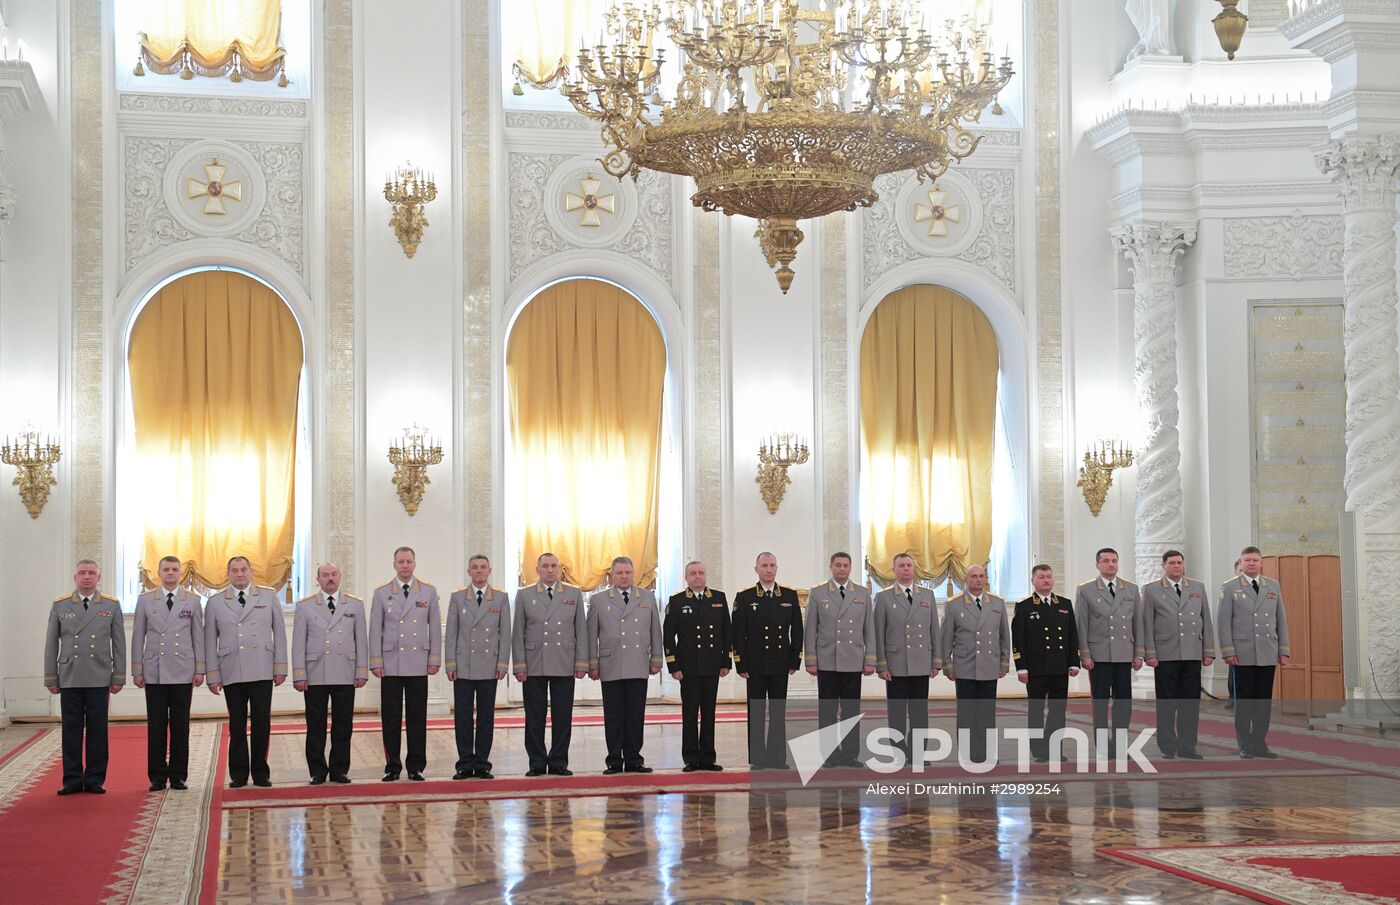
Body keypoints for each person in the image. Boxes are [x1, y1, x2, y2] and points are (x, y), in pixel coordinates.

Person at [44, 559, 125, 795]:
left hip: (99, 675)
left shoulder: (110, 605)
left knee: (98, 730)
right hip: (70, 675)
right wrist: (51, 676)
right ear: (75, 578)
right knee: (71, 729)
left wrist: (118, 676)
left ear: (99, 577)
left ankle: (94, 778)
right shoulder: (61, 605)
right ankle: (71, 779)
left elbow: (118, 643)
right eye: (82, 573)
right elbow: (51, 643)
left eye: (91, 573)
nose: (87, 577)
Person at [206, 555, 287, 788]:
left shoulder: (268, 595)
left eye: (243, 570)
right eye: (234, 570)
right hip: (232, 669)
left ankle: (261, 772)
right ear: (228, 574)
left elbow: (279, 634)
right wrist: (213, 675)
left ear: (251, 571)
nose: (239, 574)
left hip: (262, 667)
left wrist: (280, 667)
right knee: (237, 723)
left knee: (262, 722)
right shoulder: (216, 602)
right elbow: (210, 641)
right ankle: (239, 774)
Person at [131, 554, 204, 791]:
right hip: (155, 670)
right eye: (166, 569)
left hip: (183, 669)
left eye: (174, 569)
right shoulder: (145, 600)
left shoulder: (192, 600)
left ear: (180, 572)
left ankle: (178, 775)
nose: (170, 573)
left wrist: (200, 668)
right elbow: (138, 636)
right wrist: (137, 669)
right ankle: (157, 776)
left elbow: (198, 637)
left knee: (181, 724)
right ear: (159, 573)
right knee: (157, 724)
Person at [512, 552, 588, 776]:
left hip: (564, 662)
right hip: (534, 663)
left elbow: (581, 631)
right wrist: (519, 665)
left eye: (554, 566)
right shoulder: (525, 595)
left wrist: (581, 662)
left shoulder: (573, 594)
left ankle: (558, 762)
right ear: (537, 569)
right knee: (534, 716)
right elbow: (518, 633)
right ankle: (536, 762)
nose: (550, 570)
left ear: (559, 569)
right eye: (545, 566)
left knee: (562, 716)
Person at [292, 562, 368, 785]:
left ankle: (339, 769)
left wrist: (361, 670)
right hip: (316, 672)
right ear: (318, 580)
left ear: (340, 576)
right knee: (315, 725)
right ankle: (317, 770)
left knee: (343, 725)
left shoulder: (354, 604)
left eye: (334, 574)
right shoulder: (305, 606)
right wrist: (299, 674)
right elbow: (298, 643)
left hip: (345, 671)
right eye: (325, 575)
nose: (330, 578)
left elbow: (361, 640)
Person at [369, 546, 441, 781]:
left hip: (418, 662)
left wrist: (434, 659)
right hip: (390, 663)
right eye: (401, 562)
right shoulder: (381, 593)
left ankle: (416, 766)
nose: (405, 565)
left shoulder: (428, 592)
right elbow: (375, 630)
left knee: (417, 717)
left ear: (414, 563)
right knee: (390, 717)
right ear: (394, 565)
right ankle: (392, 765)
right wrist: (376, 661)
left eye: (409, 561)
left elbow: (435, 629)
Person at [587, 557, 664, 774]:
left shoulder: (647, 596)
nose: (623, 576)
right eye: (619, 573)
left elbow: (655, 631)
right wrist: (592, 663)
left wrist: (656, 660)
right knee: (613, 715)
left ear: (633, 573)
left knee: (635, 714)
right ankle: (613, 760)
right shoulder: (599, 600)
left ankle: (633, 759)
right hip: (610, 663)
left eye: (627, 572)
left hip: (638, 662)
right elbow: (591, 634)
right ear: (612, 574)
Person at [731, 552, 803, 770]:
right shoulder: (745, 597)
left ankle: (777, 757)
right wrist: (740, 664)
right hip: (754, 665)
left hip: (781, 663)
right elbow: (738, 634)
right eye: (764, 565)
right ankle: (758, 759)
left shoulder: (789, 596)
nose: (769, 569)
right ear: (756, 570)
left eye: (772, 565)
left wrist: (794, 660)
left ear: (777, 568)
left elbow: (797, 631)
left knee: (778, 711)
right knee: (757, 711)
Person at [1141, 550, 1215, 759]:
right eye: (1172, 563)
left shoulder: (1197, 587)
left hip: (1192, 653)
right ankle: (1167, 746)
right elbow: (1147, 624)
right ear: (1163, 565)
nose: (1176, 566)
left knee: (1190, 703)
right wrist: (1150, 653)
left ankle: (1187, 746)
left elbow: (1205, 620)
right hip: (1165, 654)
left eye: (1179, 563)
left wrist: (1208, 650)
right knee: (1167, 703)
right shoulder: (1152, 589)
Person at [805, 552, 876, 768]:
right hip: (827, 660)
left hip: (853, 660)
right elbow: (810, 629)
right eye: (838, 565)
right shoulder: (818, 593)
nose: (842, 569)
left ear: (851, 568)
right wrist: (810, 659)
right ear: (831, 567)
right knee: (827, 710)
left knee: (851, 710)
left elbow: (869, 630)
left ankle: (850, 754)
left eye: (846, 565)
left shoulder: (863, 594)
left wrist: (870, 659)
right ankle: (829, 754)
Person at [1218, 546, 1290, 759]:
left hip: (1267, 651)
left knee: (1263, 703)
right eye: (1247, 560)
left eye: (1255, 560)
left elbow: (1281, 620)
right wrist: (1227, 651)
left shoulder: (1273, 586)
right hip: (1242, 653)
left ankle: (1260, 742)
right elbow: (1223, 623)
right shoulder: (1230, 587)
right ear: (1240, 563)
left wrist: (1283, 649)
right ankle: (1245, 744)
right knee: (1244, 703)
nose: (1251, 563)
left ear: (1261, 563)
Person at [445, 554, 511, 780]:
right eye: (475, 567)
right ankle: (464, 763)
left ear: (490, 570)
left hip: (489, 665)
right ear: (469, 572)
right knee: (462, 716)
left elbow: (506, 634)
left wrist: (503, 663)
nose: (479, 571)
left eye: (483, 567)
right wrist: (450, 663)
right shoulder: (458, 597)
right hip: (463, 665)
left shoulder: (500, 598)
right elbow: (451, 634)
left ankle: (482, 763)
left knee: (486, 716)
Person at [663, 560, 731, 772]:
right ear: (686, 577)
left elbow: (726, 632)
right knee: (690, 713)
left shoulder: (718, 598)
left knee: (709, 713)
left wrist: (725, 661)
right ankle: (691, 758)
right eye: (693, 573)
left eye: (701, 572)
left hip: (711, 666)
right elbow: (668, 636)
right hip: (689, 668)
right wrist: (674, 666)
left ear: (706, 575)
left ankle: (708, 758)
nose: (698, 576)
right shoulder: (677, 601)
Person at [1075, 548, 1143, 758]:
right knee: (1101, 704)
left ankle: (1121, 747)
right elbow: (1081, 624)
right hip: (1099, 656)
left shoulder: (1130, 589)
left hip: (1124, 654)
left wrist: (1138, 652)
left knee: (1124, 704)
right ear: (1098, 564)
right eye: (1106, 561)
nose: (1111, 564)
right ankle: (1104, 748)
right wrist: (1084, 654)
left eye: (1114, 560)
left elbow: (1137, 623)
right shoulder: (1086, 590)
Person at [939, 564, 1010, 763]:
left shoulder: (997, 603)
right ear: (966, 579)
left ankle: (988, 754)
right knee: (966, 714)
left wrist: (1004, 663)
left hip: (989, 665)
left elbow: (1004, 636)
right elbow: (946, 638)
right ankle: (968, 754)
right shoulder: (954, 605)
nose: (978, 580)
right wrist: (948, 665)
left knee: (987, 714)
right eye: (974, 576)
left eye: (981, 576)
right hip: (965, 667)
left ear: (986, 578)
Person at [873, 553, 939, 758]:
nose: (906, 568)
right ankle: (898, 753)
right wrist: (881, 665)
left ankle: (919, 753)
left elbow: (934, 630)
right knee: (897, 713)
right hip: (895, 663)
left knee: (920, 712)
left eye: (909, 565)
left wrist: (936, 661)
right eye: (901, 565)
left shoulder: (927, 596)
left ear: (914, 569)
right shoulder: (883, 597)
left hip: (921, 662)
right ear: (894, 570)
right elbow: (879, 632)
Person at [1012, 564, 1079, 763]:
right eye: (1041, 577)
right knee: (1036, 710)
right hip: (1036, 668)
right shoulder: (1024, 606)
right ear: (1033, 580)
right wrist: (1021, 666)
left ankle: (1054, 748)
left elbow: (1072, 635)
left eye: (1049, 576)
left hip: (1059, 666)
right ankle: (1039, 750)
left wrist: (1073, 662)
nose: (1046, 580)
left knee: (1058, 710)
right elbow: (1019, 639)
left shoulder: (1064, 604)